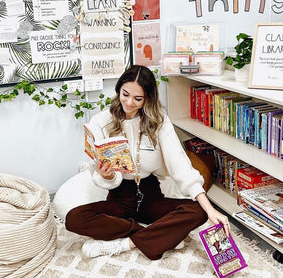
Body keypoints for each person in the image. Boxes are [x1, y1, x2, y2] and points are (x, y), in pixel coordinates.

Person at [65, 65, 230, 260]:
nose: (128, 102)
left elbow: (180, 165)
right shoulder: (101, 121)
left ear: (148, 99)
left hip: (151, 196)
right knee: (73, 218)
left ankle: (126, 243)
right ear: (119, 89)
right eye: (125, 94)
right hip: (120, 199)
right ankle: (158, 235)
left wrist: (210, 209)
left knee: (198, 211)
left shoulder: (159, 121)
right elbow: (99, 169)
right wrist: (106, 176)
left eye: (138, 99)